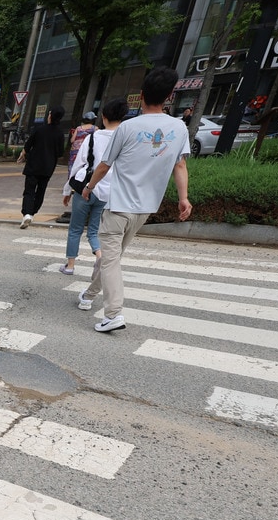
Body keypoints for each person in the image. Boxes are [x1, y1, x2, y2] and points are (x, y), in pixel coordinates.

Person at [78, 67, 193, 333]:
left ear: (141, 95)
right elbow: (180, 165)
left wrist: (89, 187)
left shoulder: (128, 127)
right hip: (145, 209)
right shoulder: (179, 128)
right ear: (169, 96)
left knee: (110, 260)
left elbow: (105, 164)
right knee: (111, 258)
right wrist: (183, 198)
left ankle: (113, 314)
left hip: (119, 206)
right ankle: (89, 295)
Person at [60, 99, 127, 276]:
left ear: (103, 117)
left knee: (75, 229)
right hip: (108, 192)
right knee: (94, 230)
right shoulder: (125, 140)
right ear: (122, 117)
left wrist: (67, 190)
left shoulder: (92, 138)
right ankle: (99, 257)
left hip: (86, 187)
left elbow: (77, 165)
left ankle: (70, 266)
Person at [15, 105, 65, 228]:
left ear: (50, 116)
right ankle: (32, 213)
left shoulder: (40, 129)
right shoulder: (60, 134)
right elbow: (60, 153)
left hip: (34, 165)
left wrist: (23, 154)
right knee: (41, 191)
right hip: (48, 167)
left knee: (29, 191)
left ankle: (27, 213)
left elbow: (28, 144)